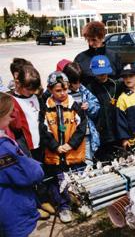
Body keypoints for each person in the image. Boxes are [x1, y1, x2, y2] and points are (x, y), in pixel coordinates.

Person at [40, 71, 87, 223]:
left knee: (76, 179)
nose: (62, 93)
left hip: (73, 153)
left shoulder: (75, 105)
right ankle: (64, 207)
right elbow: (43, 130)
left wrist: (70, 145)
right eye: (58, 90)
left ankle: (80, 203)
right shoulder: (45, 108)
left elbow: (82, 127)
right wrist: (55, 147)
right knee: (58, 182)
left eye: (65, 89)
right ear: (50, 89)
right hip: (55, 154)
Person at [0, 92, 44, 237]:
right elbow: (32, 173)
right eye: (9, 113)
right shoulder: (4, 147)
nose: (12, 116)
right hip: (13, 213)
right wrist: (33, 163)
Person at [62, 61, 101, 165]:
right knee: (71, 163)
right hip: (69, 136)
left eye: (79, 81)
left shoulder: (83, 91)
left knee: (87, 162)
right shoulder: (61, 93)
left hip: (86, 135)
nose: (78, 85)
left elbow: (96, 105)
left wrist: (89, 106)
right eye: (75, 82)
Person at [87, 55, 124, 161]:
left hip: (116, 129)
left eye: (104, 72)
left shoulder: (115, 85)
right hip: (101, 131)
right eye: (99, 73)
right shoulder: (90, 88)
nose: (102, 75)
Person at [74, 21, 121, 86]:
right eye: (88, 40)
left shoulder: (113, 56)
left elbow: (120, 79)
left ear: (102, 38)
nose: (90, 43)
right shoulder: (80, 58)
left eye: (94, 40)